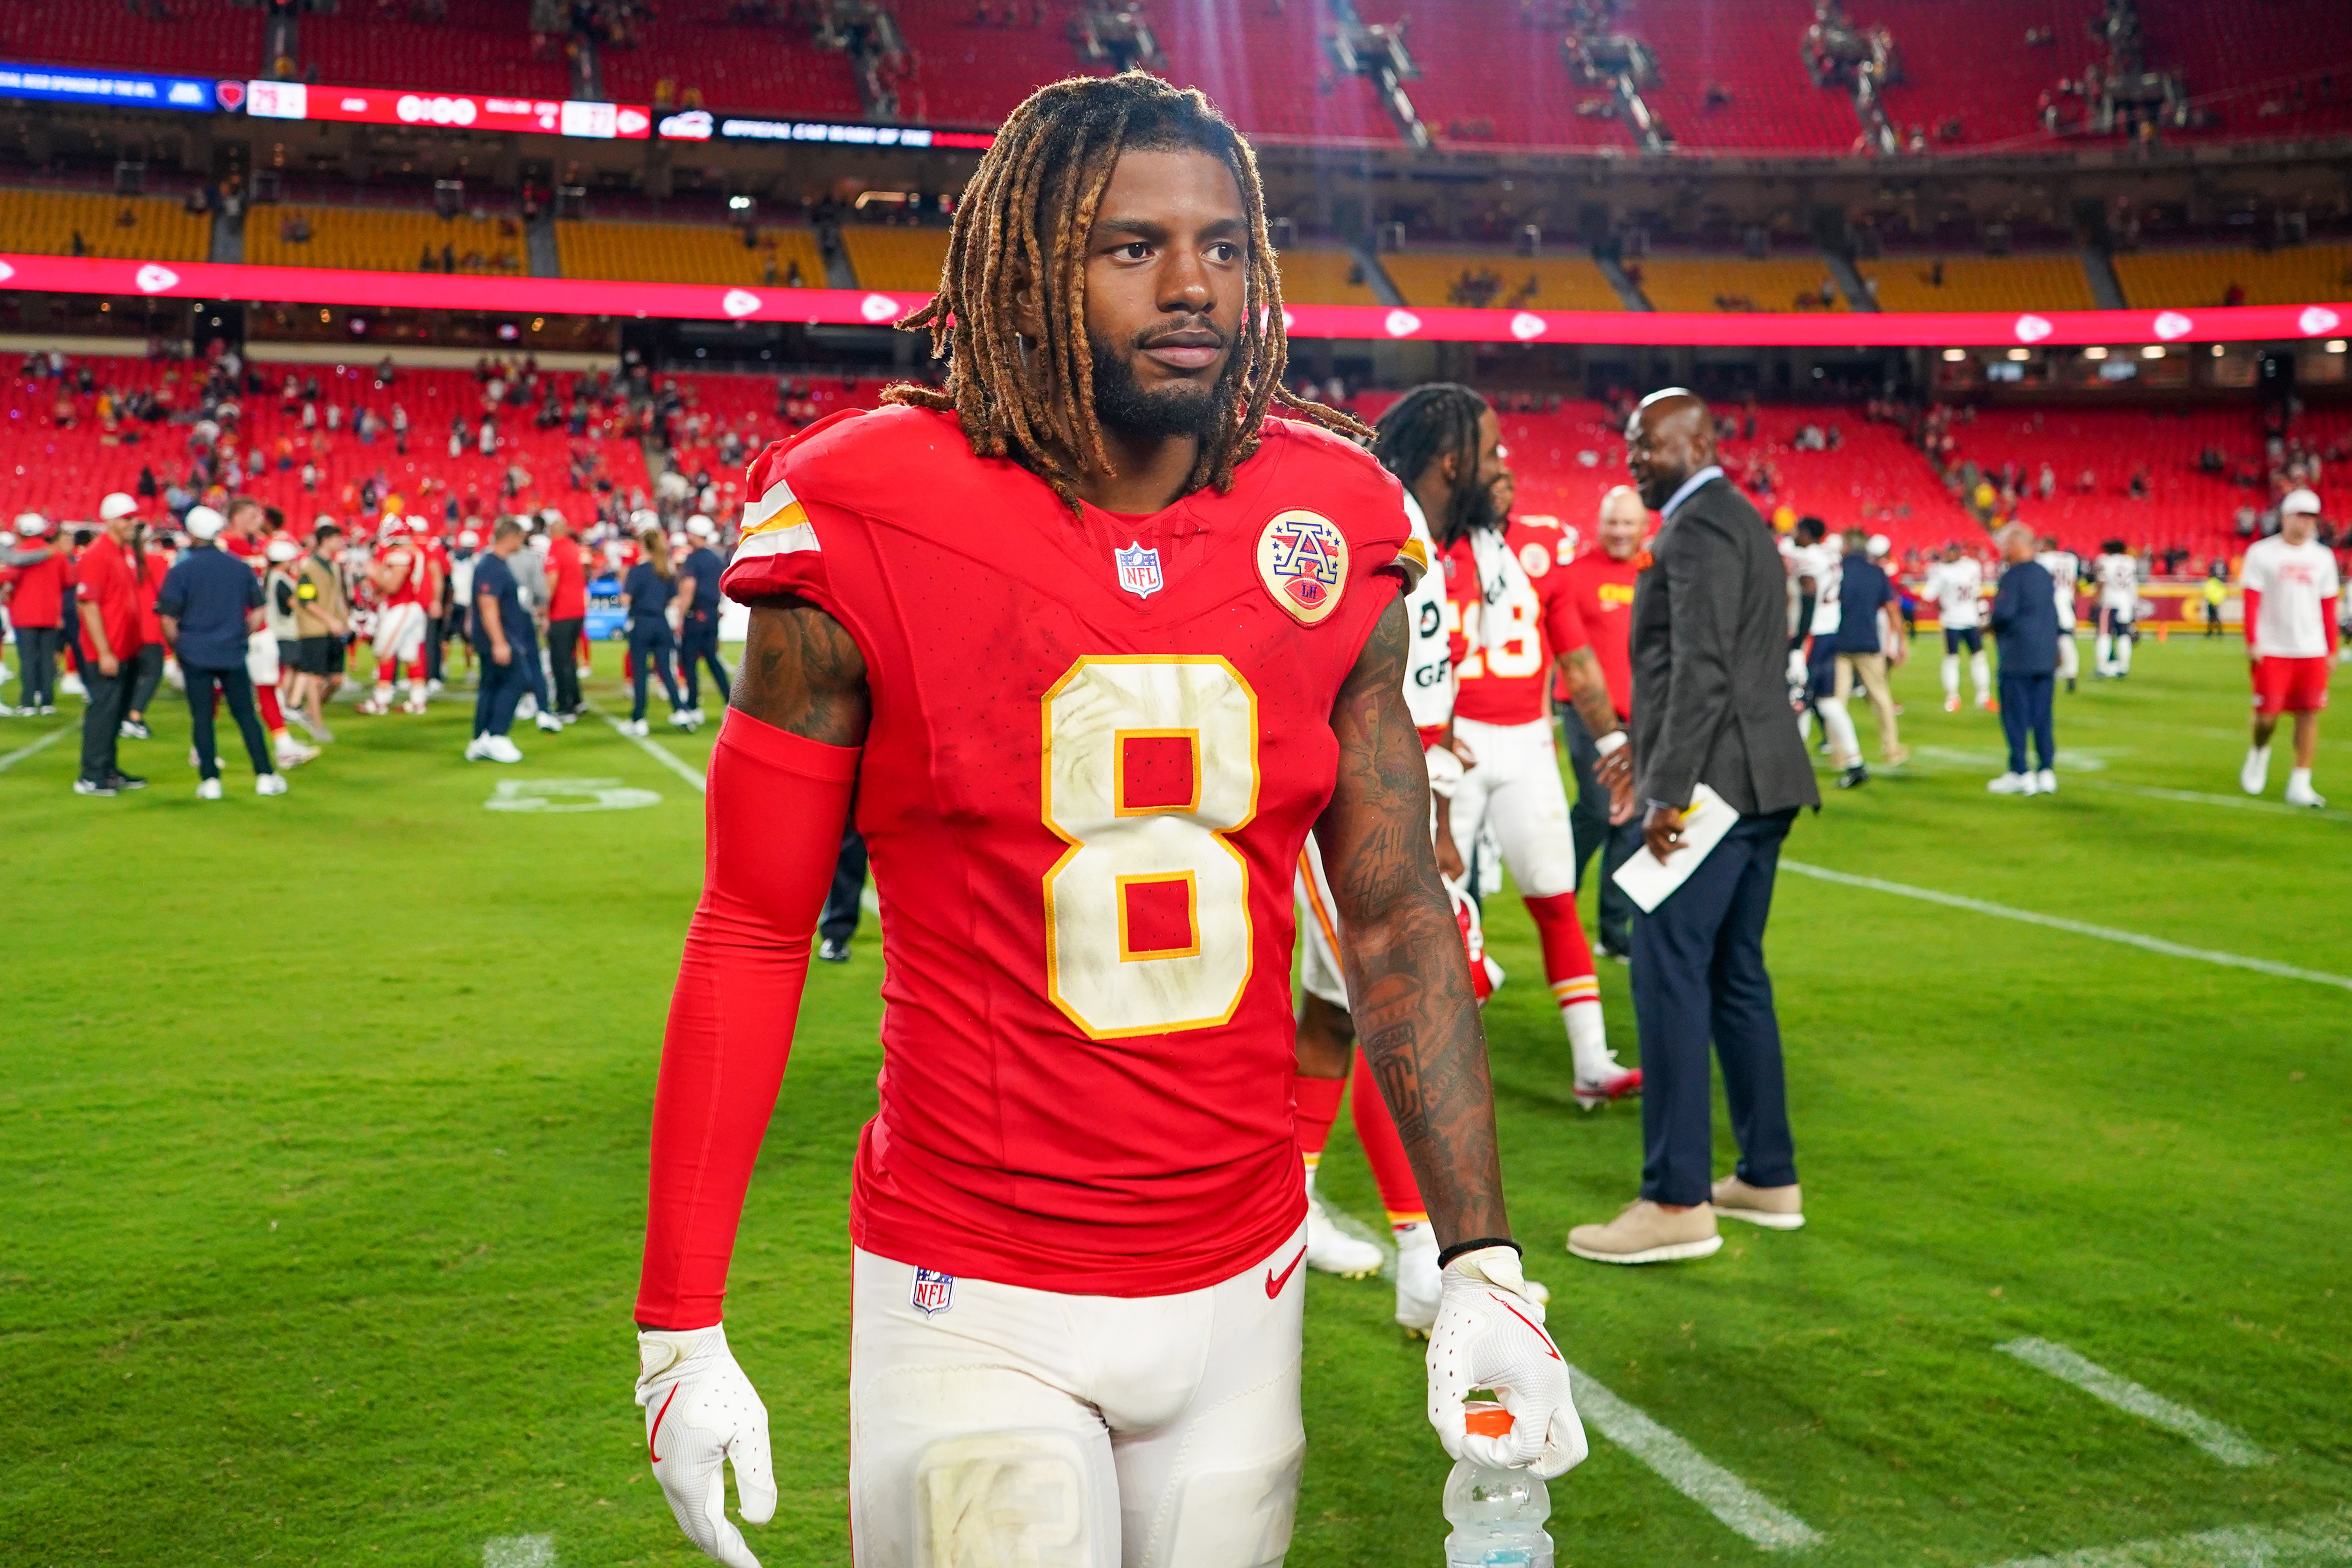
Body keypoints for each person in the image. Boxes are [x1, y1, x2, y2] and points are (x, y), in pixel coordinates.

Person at [631, 75, 1579, 1568]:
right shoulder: (862, 506)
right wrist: (677, 1321)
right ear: (1022, 267)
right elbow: (750, 922)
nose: (1190, 283)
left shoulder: (1332, 522)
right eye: (1127, 245)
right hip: (972, 1290)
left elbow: (1396, 913)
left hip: (1241, 1279)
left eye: (1221, 245)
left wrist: (1482, 1261)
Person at [1568, 387, 1818, 1266]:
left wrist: (1666, 792)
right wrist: (1642, 751)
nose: (1632, 454)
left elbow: (1705, 669)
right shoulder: (1735, 517)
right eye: (1629, 440)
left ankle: (1675, 1197)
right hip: (1760, 778)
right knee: (1735, 973)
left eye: (1648, 441)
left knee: (1668, 968)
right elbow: (1710, 669)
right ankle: (1766, 1173)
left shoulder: (1701, 523)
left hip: (1716, 787)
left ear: (1698, 440)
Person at [1432, 395, 1636, 1112]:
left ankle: (1591, 1060)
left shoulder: (1541, 546)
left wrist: (1610, 738)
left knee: (1554, 898)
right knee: (1438, 913)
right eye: (1492, 468)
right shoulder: (1422, 542)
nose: (1507, 475)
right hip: (1444, 746)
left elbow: (1578, 662)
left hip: (1525, 742)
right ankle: (1442, 1067)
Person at [1558, 484, 1650, 960]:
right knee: (1596, 808)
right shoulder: (1572, 574)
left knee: (1628, 821)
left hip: (1641, 718)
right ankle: (1555, 901)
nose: (1618, 531)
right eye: (1611, 522)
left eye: (1627, 523)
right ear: (1599, 523)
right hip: (1586, 713)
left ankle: (1614, 933)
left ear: (1643, 526)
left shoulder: (1656, 574)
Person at [156, 507, 285, 799]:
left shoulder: (181, 570)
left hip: (195, 652)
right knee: (246, 716)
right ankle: (265, 775)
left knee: (202, 717)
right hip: (232, 651)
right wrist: (242, 634)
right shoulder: (239, 568)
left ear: (192, 534)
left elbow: (167, 619)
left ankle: (210, 781)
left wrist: (181, 649)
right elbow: (259, 609)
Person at [2238, 489, 2337, 808]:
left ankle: (2300, 781)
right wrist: (2253, 640)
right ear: (2285, 517)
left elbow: (2328, 606)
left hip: (2311, 648)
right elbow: (2252, 601)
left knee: (2309, 713)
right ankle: (2259, 752)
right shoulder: (2262, 553)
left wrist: (2331, 648)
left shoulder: (2323, 558)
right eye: (2301, 515)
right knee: (2267, 716)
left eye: (2312, 517)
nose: (2306, 522)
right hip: (2273, 647)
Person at [71, 500, 148, 796]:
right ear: (111, 520)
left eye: (134, 518)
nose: (132, 523)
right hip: (107, 650)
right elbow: (88, 605)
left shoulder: (121, 553)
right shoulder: (97, 554)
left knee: (115, 713)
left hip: (124, 647)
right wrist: (104, 651)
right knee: (103, 712)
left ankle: (108, 768)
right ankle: (91, 775)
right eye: (126, 518)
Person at [1821, 525, 1907, 787]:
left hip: (1838, 641)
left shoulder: (1837, 571)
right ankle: (1891, 748)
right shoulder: (1877, 572)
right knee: (1881, 698)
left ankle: (1838, 753)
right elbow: (1892, 608)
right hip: (1869, 642)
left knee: (1836, 701)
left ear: (1846, 546)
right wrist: (1901, 641)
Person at [1986, 525, 2060, 796]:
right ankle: (2046, 770)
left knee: (2016, 716)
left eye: (2006, 545)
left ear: (2018, 544)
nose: (2003, 551)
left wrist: (1989, 626)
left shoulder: (2013, 576)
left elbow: (2004, 614)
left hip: (2018, 656)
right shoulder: (2044, 574)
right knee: (2043, 716)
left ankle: (2020, 771)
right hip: (2045, 655)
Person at [465, 518, 536, 764]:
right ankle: (497, 734)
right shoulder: (492, 566)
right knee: (517, 680)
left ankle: (480, 738)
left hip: (497, 636)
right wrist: (499, 642)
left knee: (490, 685)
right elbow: (488, 606)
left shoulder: (492, 564)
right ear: (512, 536)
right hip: (500, 637)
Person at [619, 526, 693, 736]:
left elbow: (626, 598)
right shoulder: (665, 571)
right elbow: (673, 598)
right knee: (666, 672)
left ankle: (639, 718)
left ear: (644, 546)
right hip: (661, 624)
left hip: (642, 623)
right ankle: (680, 710)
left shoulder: (637, 571)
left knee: (640, 673)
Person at [287, 521, 352, 742]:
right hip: (313, 629)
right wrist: (330, 620)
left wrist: (343, 620)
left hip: (332, 627)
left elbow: (336, 598)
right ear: (326, 540)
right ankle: (318, 725)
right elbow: (306, 600)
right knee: (314, 678)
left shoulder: (333, 566)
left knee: (336, 679)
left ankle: (308, 711)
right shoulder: (309, 568)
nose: (341, 543)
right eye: (338, 538)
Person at [4, 513, 69, 716]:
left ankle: (28, 702)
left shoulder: (18, 554)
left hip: (24, 615)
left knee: (28, 659)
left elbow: (8, 577)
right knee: (47, 658)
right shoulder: (56, 554)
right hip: (51, 614)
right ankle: (47, 701)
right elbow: (68, 580)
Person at [676, 514, 731, 720]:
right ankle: (729, 700)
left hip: (696, 614)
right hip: (711, 614)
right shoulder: (715, 557)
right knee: (712, 659)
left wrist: (681, 615)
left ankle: (693, 705)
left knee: (689, 661)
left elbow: (689, 588)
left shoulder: (694, 559)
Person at [1926, 543, 1991, 712]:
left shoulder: (1946, 570)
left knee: (1978, 657)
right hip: (1953, 621)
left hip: (1969, 619)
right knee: (1952, 659)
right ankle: (1953, 697)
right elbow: (1929, 596)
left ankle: (1983, 696)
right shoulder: (1967, 567)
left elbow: (1929, 595)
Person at [543, 513, 590, 719]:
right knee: (570, 658)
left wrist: (544, 610)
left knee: (560, 660)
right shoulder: (573, 547)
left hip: (561, 612)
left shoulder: (555, 550)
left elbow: (552, 582)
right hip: (578, 610)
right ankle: (577, 700)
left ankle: (565, 706)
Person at [2036, 534, 2081, 691]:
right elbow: (2074, 583)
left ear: (2048, 546)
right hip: (2066, 602)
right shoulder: (2070, 559)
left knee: (2050, 639)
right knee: (2066, 639)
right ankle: (2070, 672)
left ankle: (2058, 670)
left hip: (2050, 604)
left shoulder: (2043, 559)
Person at [2092, 537, 2138, 678]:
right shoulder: (2130, 562)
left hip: (2110, 602)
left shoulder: (2105, 561)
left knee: (2104, 635)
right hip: (2126, 602)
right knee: (2124, 635)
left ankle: (2102, 667)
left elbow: (2102, 582)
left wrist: (2095, 600)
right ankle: (2123, 668)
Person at [2202, 563, 2228, 639]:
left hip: (2212, 602)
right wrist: (2219, 601)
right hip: (2215, 602)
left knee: (2213, 618)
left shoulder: (2211, 583)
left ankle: (2214, 632)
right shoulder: (2218, 583)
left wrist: (2214, 601)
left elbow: (2209, 592)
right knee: (2214, 618)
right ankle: (2217, 632)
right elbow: (2222, 593)